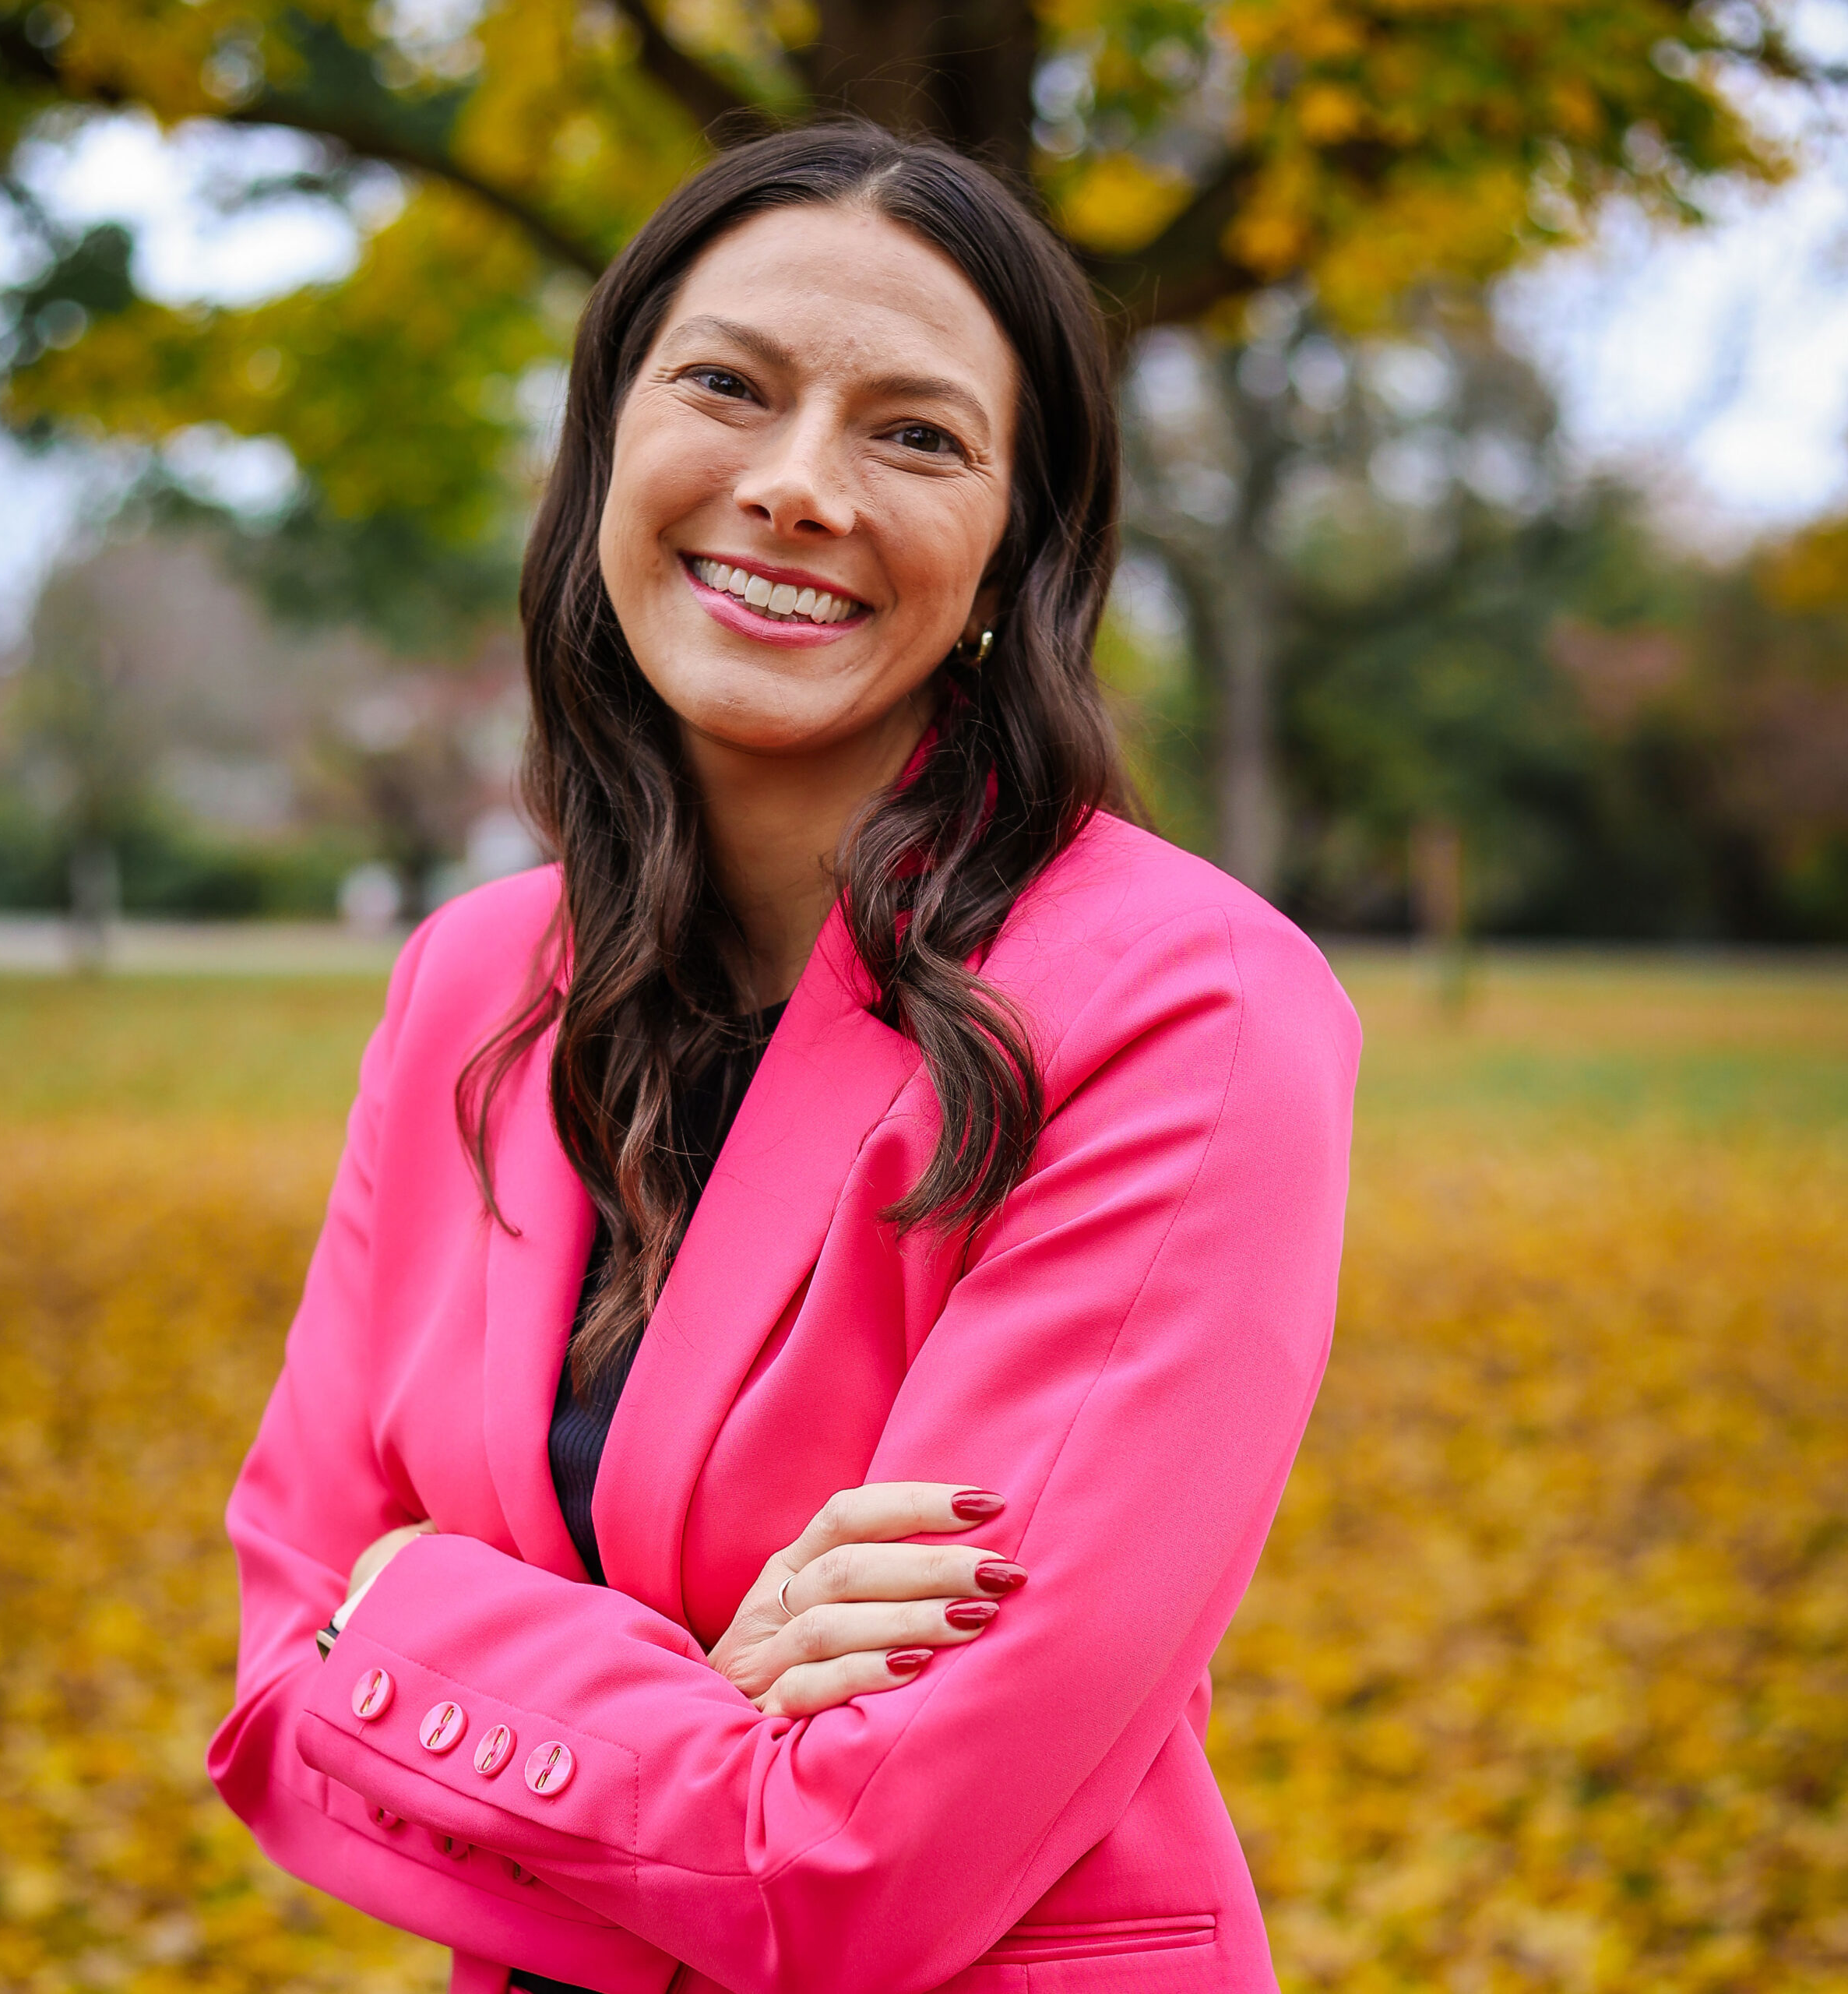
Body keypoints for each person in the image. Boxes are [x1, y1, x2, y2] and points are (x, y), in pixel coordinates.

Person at [210, 119, 1359, 1994]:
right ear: (607, 452)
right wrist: (706, 1701)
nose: (795, 486)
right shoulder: (470, 984)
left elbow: (863, 1862)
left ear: (1012, 547)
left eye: (912, 433)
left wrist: (418, 1626)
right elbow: (277, 1671)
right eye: (725, 387)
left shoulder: (1189, 1004)